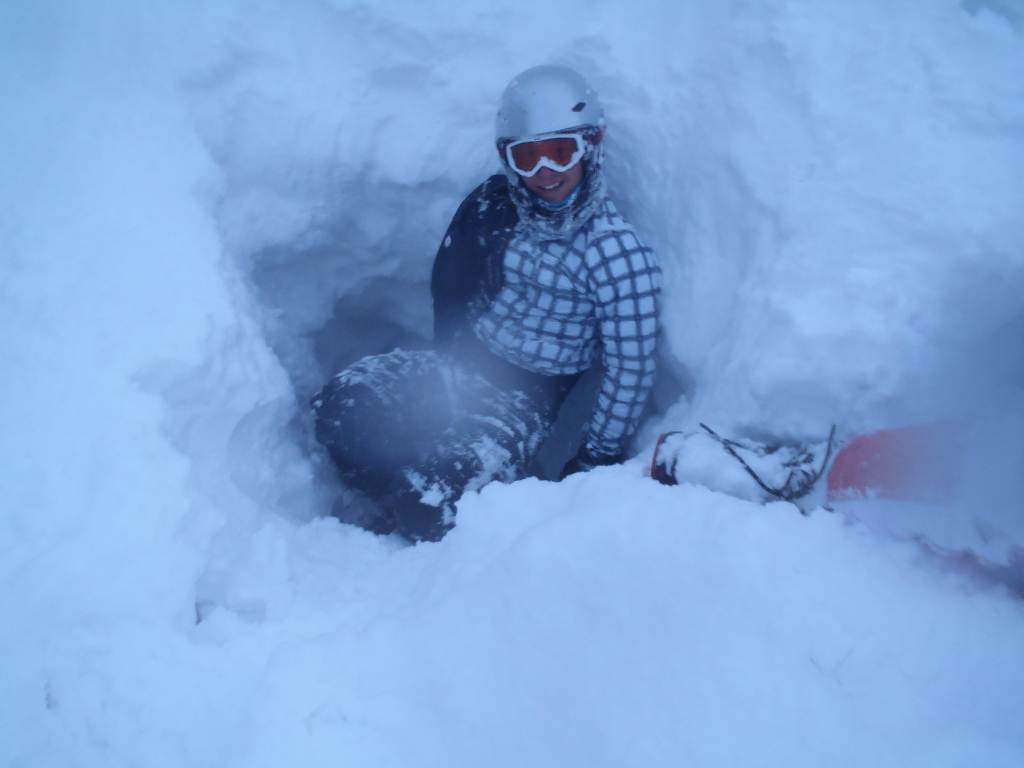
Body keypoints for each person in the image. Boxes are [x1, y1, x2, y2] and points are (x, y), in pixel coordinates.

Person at [313, 64, 662, 542]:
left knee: (432, 501)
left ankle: (425, 509)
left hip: (522, 405)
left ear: (592, 144)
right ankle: (395, 495)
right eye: (528, 158)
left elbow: (630, 370)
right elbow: (453, 284)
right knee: (339, 405)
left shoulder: (618, 256)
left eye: (561, 153)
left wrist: (595, 459)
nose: (546, 174)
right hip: (459, 369)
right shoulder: (500, 210)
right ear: (508, 160)